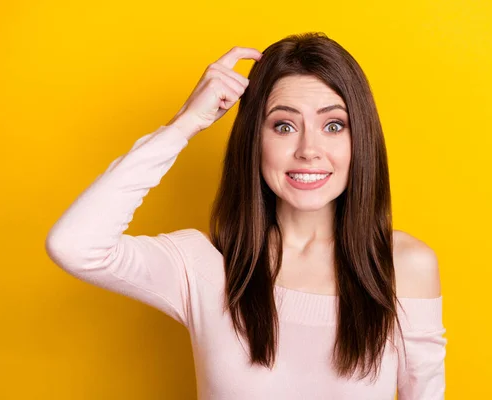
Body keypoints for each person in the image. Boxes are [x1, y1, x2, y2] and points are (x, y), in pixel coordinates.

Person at [45, 32, 447, 399]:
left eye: (334, 125)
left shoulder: (402, 266)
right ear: (254, 140)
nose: (309, 149)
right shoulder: (204, 266)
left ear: (362, 138)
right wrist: (184, 124)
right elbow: (75, 246)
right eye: (285, 126)